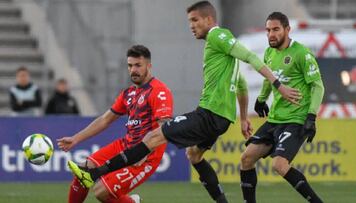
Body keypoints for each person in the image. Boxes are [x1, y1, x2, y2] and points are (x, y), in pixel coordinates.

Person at [67, 2, 301, 203]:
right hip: (222, 119)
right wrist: (242, 119)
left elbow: (250, 56)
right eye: (190, 20)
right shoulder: (224, 56)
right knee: (194, 156)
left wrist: (278, 85)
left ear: (209, 19)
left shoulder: (217, 35)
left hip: (209, 114)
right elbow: (240, 85)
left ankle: (97, 172)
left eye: (195, 20)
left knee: (154, 136)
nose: (192, 25)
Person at [57, 45, 173, 203]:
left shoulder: (159, 91)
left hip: (146, 155)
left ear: (149, 66)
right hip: (125, 146)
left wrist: (144, 152)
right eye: (130, 65)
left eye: (138, 65)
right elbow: (105, 119)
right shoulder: (129, 94)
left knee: (101, 192)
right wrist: (76, 139)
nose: (133, 70)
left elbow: (165, 129)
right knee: (82, 173)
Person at [240, 12, 324, 203]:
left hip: (295, 120)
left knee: (279, 164)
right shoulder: (269, 52)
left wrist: (311, 117)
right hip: (275, 119)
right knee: (246, 159)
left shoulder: (302, 53)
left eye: (276, 29)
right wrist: (262, 99)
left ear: (287, 30)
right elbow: (270, 77)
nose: (271, 34)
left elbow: (318, 86)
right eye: (268, 30)